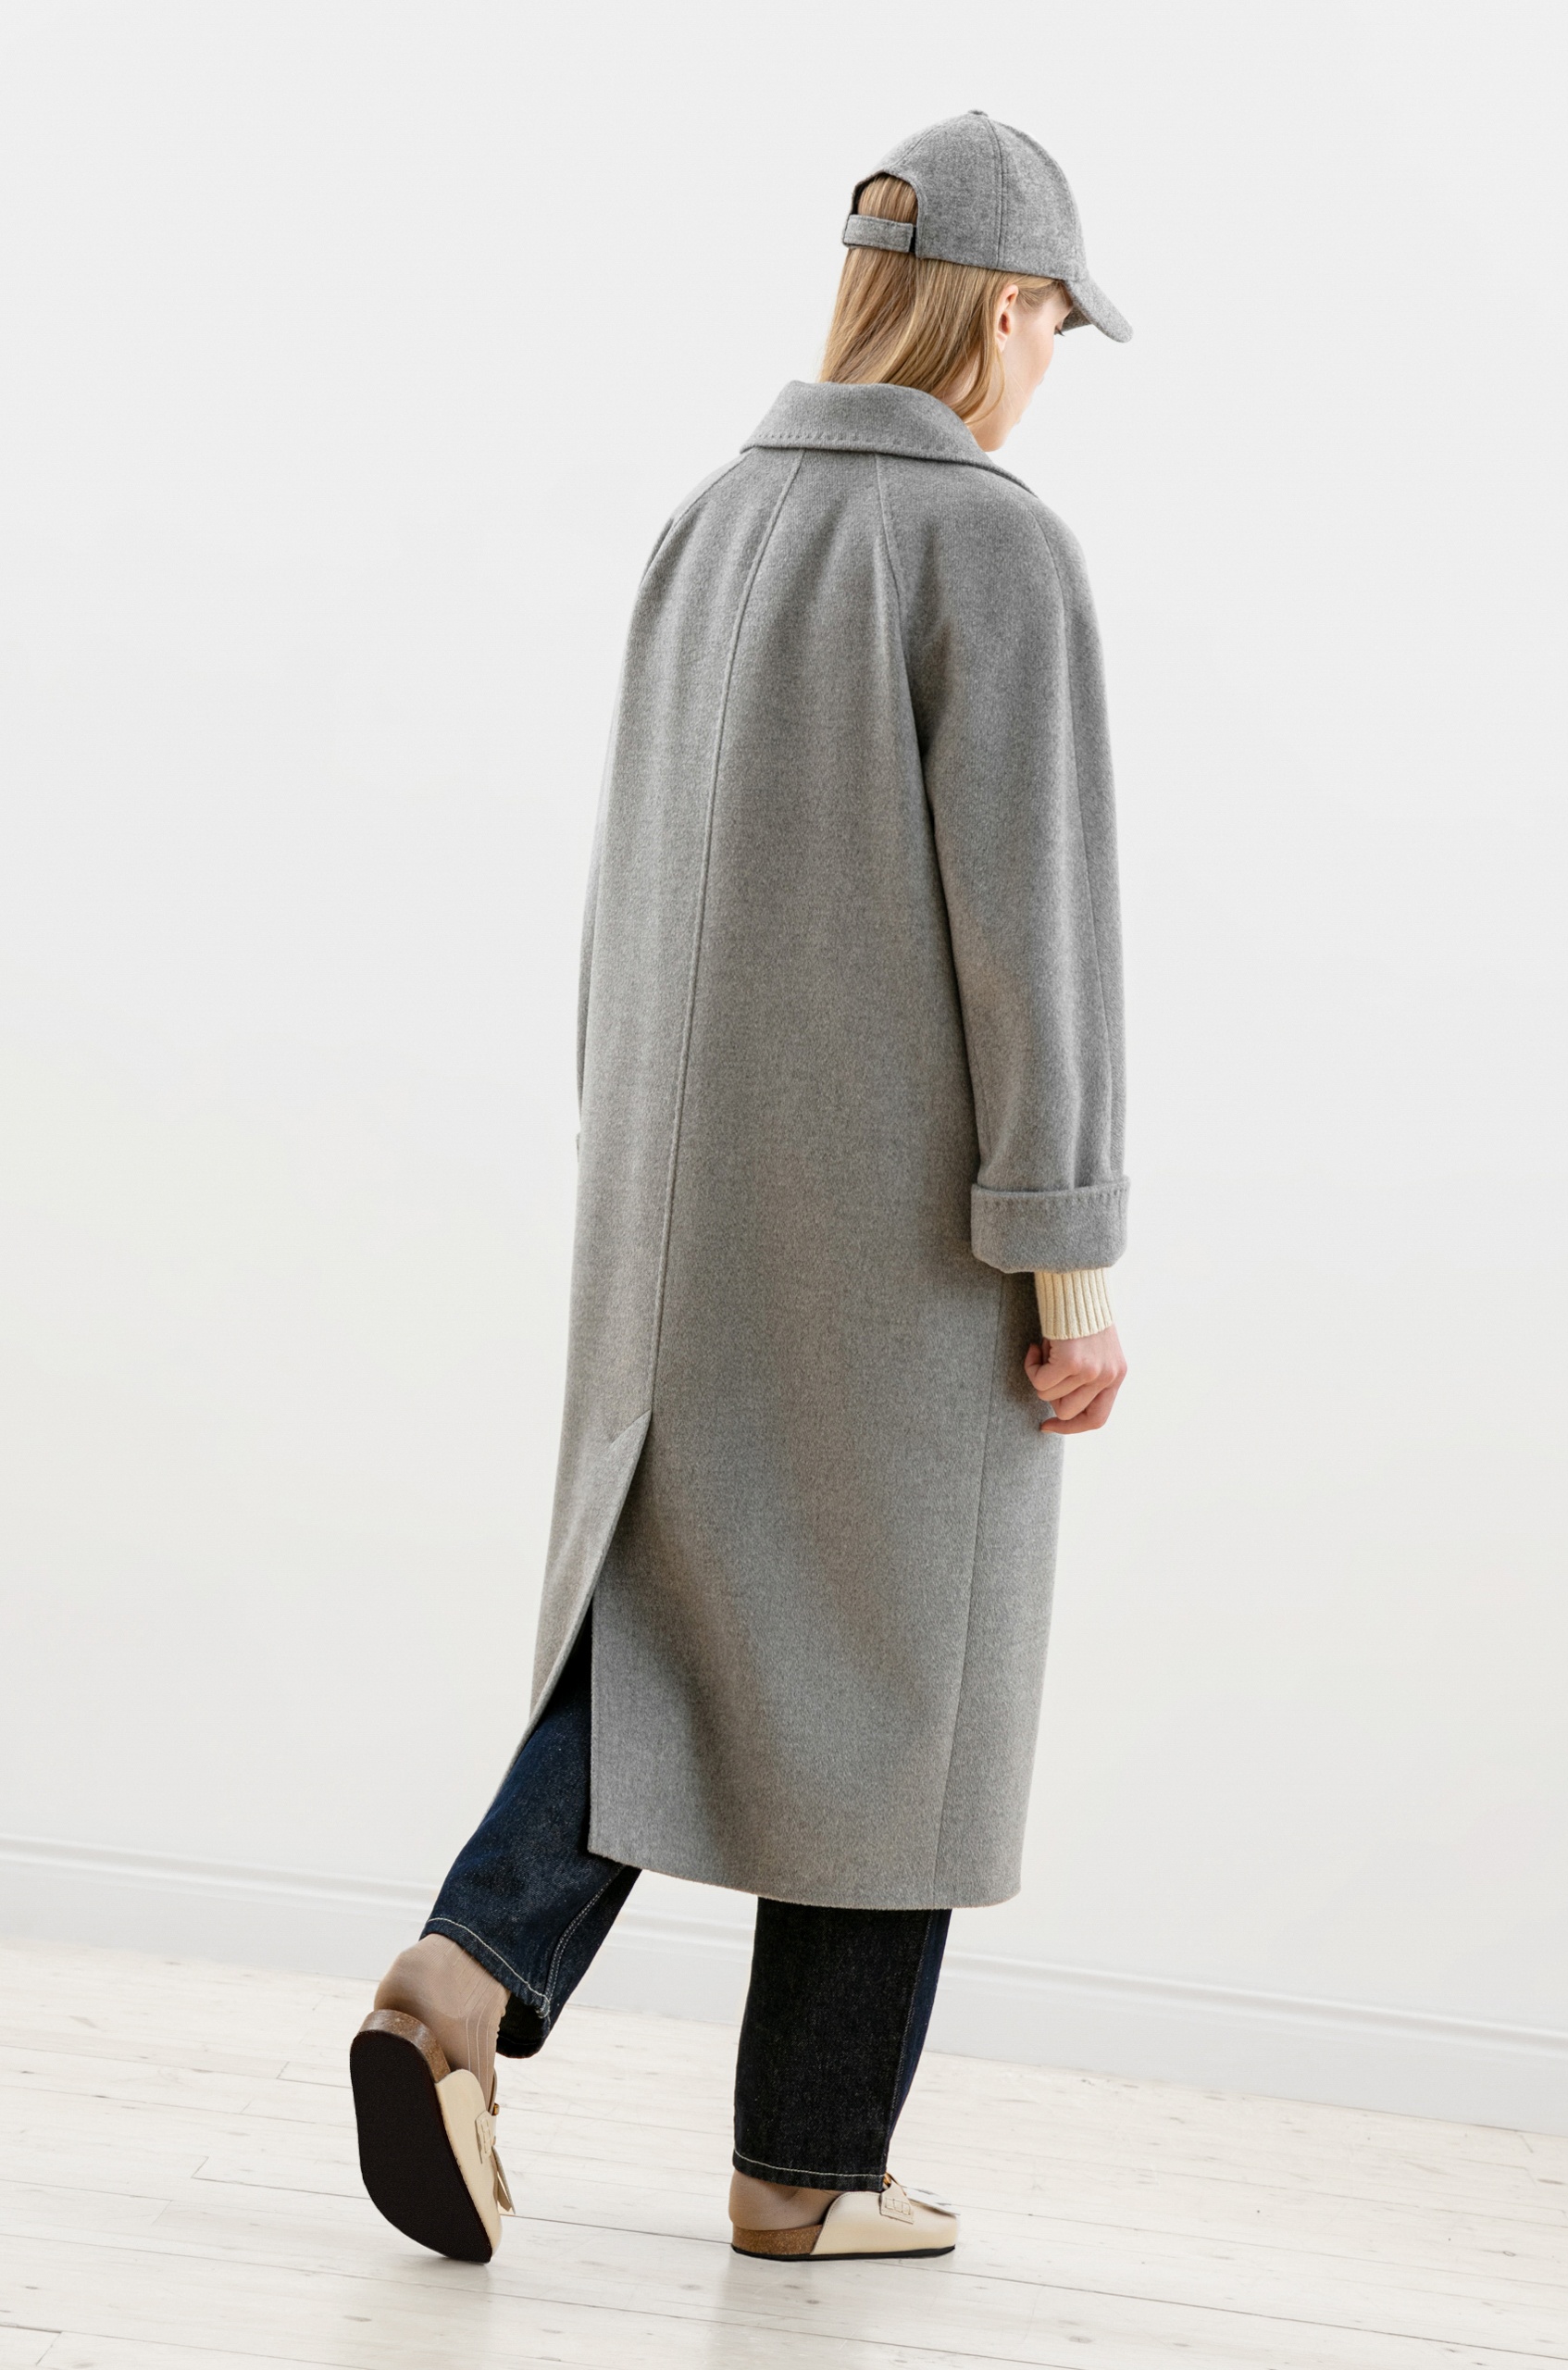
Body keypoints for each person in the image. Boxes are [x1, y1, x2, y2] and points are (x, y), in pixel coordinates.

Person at [349, 108, 1131, 2268]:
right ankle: (807, 2161)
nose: (1050, 364)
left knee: (682, 1619)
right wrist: (1066, 1268)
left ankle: (466, 1971)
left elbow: (624, 891)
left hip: (678, 1204)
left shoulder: (714, 519)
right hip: (902, 1235)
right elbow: (1038, 943)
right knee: (903, 1668)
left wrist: (630, 1168)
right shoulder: (991, 546)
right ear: (1000, 306)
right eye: (1053, 323)